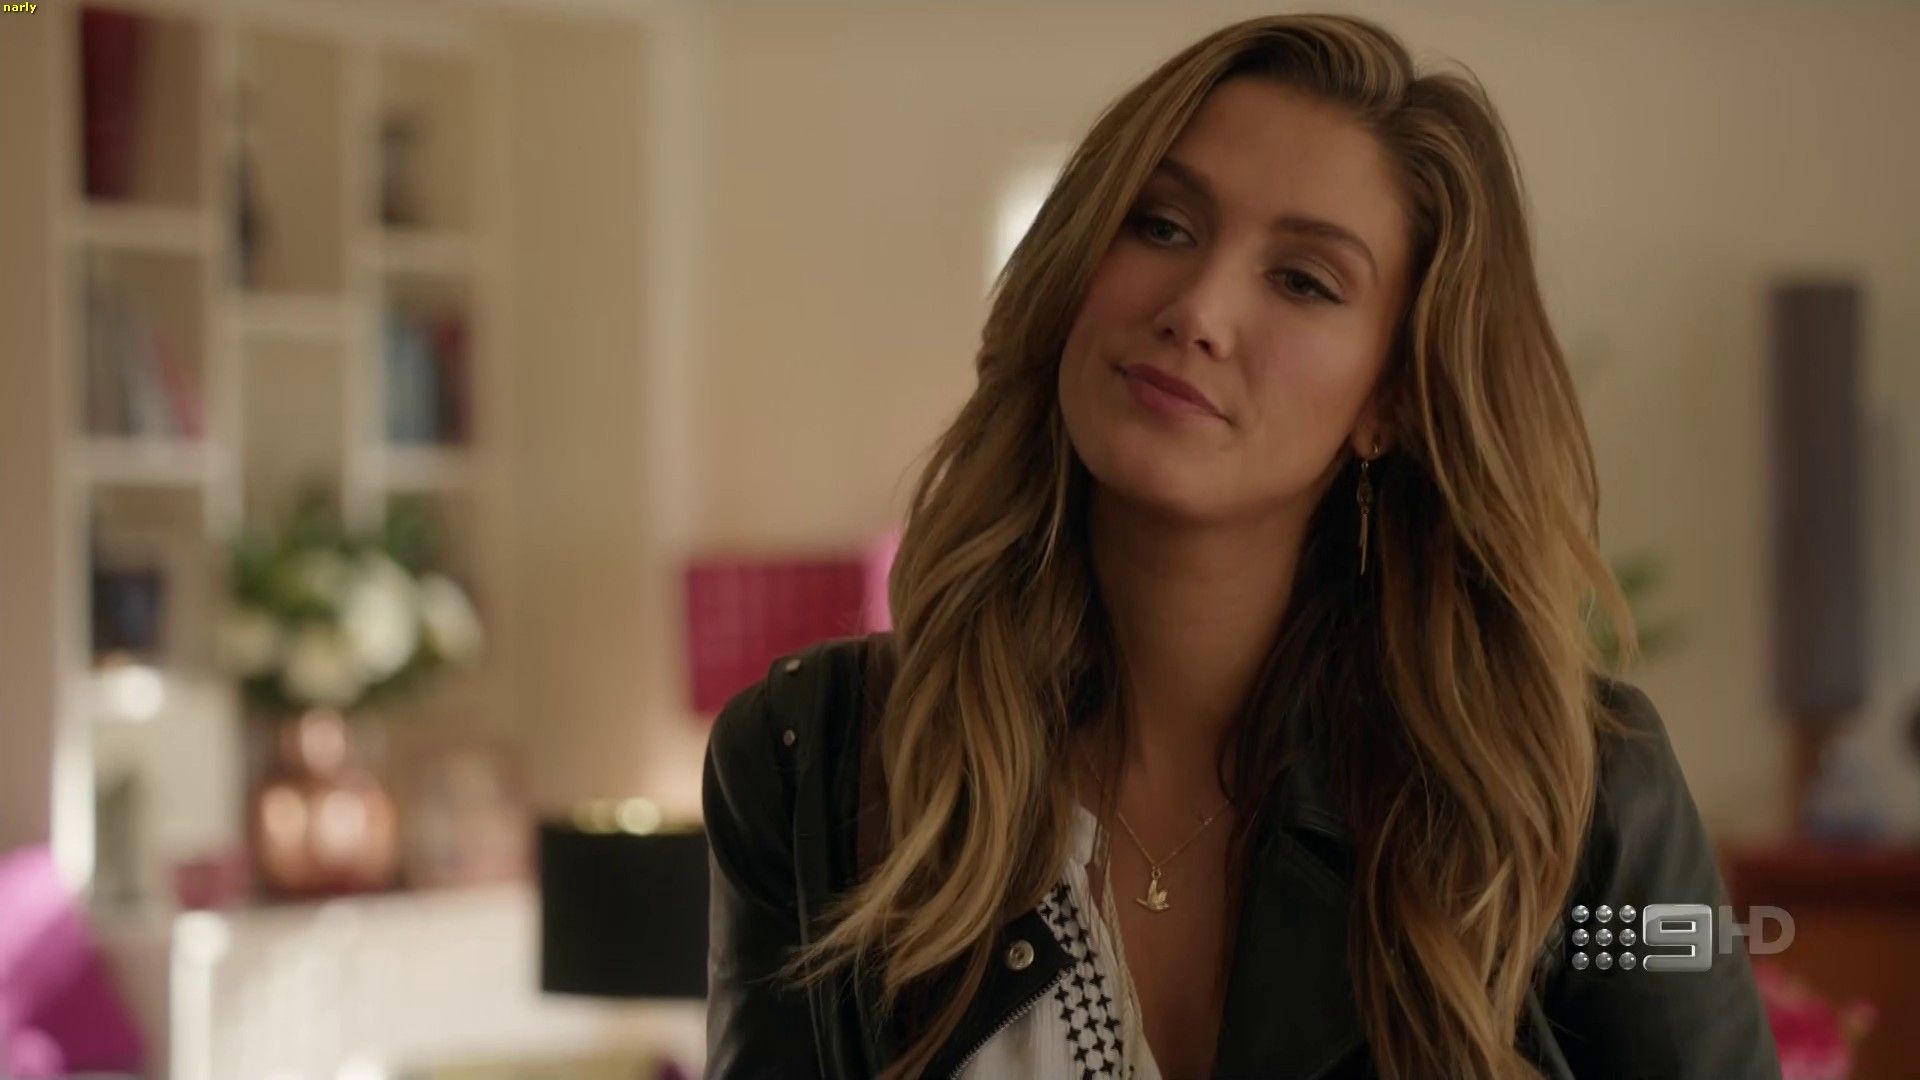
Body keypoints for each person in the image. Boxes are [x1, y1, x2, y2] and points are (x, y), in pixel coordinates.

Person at [702, 13, 1782, 1080]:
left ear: (1391, 402)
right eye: (1161, 226)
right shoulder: (819, 766)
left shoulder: (1576, 795)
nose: (1198, 310)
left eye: (1304, 280)